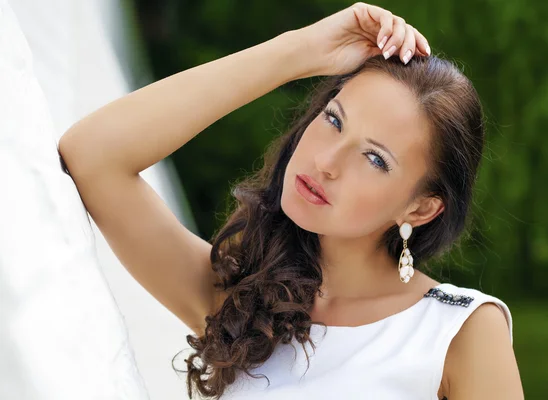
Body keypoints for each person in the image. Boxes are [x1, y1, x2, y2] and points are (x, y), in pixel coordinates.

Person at [58, 2, 524, 399]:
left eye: (375, 159)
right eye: (334, 120)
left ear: (420, 208)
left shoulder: (459, 333)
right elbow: (93, 155)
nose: (326, 161)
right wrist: (299, 51)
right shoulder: (241, 304)